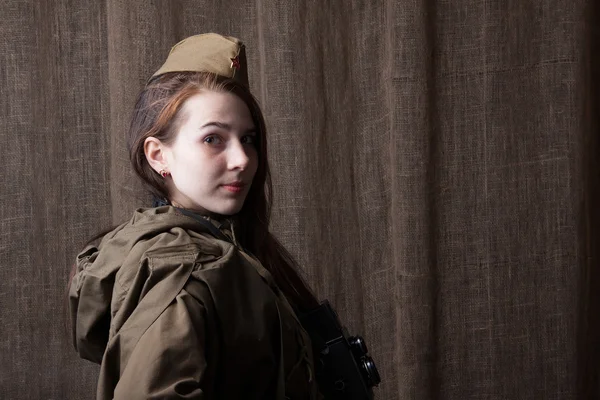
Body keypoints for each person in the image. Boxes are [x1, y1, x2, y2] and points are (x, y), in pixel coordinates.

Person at [69, 33, 322, 399]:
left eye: (247, 139)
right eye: (213, 139)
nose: (243, 160)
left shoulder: (220, 247)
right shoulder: (182, 270)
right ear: (158, 156)